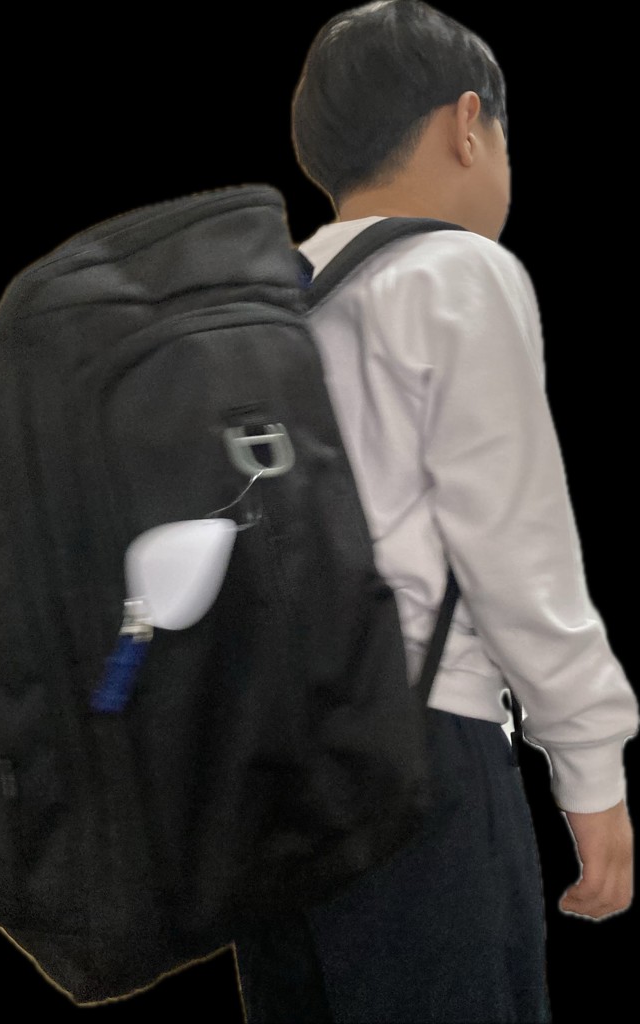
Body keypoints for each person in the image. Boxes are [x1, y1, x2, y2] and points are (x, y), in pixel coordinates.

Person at [230, 3, 638, 1022]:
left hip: (270, 779)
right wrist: (589, 771)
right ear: (467, 124)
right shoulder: (456, 270)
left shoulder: (269, 299)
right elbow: (515, 549)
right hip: (415, 760)